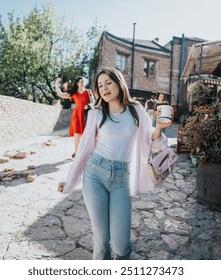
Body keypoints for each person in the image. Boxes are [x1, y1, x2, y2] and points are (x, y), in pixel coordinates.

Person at [57, 67, 173, 260]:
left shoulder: (136, 110)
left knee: (121, 246)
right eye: (100, 85)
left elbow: (150, 141)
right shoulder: (96, 113)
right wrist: (70, 181)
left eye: (108, 83)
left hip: (121, 179)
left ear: (119, 83)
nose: (104, 88)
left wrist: (159, 127)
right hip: (95, 174)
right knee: (101, 242)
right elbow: (84, 149)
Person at [55, 76, 95, 158]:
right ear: (77, 83)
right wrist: (56, 84)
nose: (83, 83)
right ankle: (77, 152)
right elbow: (60, 94)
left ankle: (84, 152)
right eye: (81, 82)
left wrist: (88, 105)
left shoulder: (88, 91)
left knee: (85, 136)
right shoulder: (74, 93)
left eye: (83, 81)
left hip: (85, 115)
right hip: (76, 115)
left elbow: (93, 103)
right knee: (77, 135)